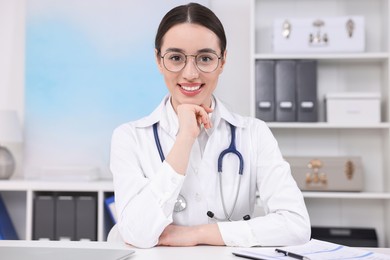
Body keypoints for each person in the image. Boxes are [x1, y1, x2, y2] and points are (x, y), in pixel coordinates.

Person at [110, 2, 310, 248]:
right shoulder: (130, 138)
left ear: (223, 61)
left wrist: (197, 234)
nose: (191, 73)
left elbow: (296, 225)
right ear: (158, 61)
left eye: (205, 58)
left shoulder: (254, 134)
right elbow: (137, 233)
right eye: (175, 58)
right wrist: (185, 138)